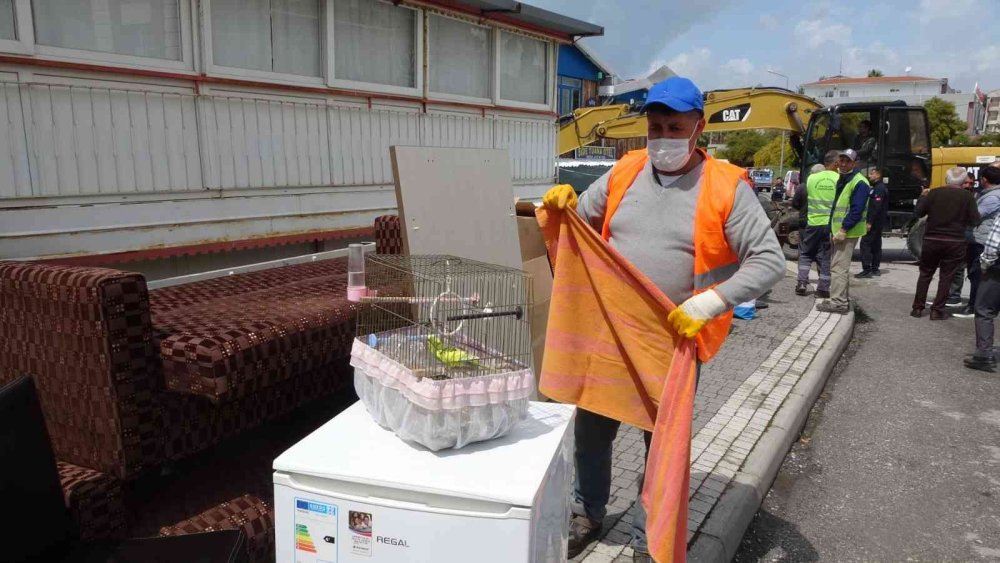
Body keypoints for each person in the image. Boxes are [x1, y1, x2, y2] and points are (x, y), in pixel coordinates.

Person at [541, 76, 785, 562]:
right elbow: (583, 223)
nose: (663, 137)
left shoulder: (725, 187)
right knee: (593, 432)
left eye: (675, 127)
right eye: (655, 127)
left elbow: (769, 261)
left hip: (671, 341)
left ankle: (651, 534)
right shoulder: (625, 171)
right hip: (609, 334)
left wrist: (709, 304)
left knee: (662, 445)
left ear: (699, 128)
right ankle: (589, 512)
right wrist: (561, 204)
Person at [910, 167, 981, 319]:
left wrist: (923, 197)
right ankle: (937, 310)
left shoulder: (934, 193)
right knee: (946, 276)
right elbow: (976, 220)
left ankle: (917, 308)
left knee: (925, 274)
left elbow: (918, 213)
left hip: (931, 239)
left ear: (946, 180)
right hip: (955, 241)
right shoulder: (967, 197)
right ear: (963, 181)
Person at [817, 149, 870, 314]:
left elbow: (856, 210)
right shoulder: (846, 179)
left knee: (838, 268)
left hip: (847, 232)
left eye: (848, 161)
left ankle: (838, 303)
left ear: (854, 163)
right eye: (842, 160)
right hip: (842, 230)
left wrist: (844, 229)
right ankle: (841, 299)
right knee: (840, 267)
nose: (844, 164)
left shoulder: (859, 182)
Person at [792, 157, 839, 297]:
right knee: (825, 256)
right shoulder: (838, 179)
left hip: (811, 223)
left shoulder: (810, 181)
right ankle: (823, 288)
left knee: (805, 253)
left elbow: (796, 203)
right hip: (830, 225)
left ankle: (801, 283)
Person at [966, 199, 1000, 372]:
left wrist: (985, 265)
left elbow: (993, 243)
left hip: (997, 271)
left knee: (984, 310)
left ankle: (984, 355)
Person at [856, 168, 889, 278]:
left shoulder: (879, 189)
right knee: (876, 244)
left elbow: (875, 207)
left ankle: (867, 269)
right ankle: (875, 268)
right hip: (878, 221)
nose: (869, 176)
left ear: (878, 175)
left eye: (872, 174)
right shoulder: (876, 187)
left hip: (875, 222)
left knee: (865, 244)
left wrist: (869, 222)